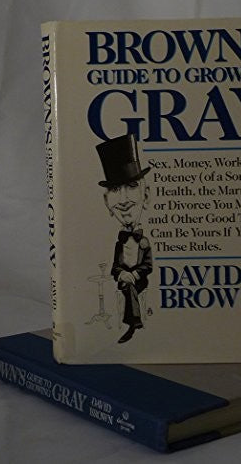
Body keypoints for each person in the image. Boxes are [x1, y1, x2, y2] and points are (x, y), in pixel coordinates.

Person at [96, 134, 152, 343]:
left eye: (132, 186)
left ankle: (133, 324)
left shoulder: (144, 242)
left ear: (146, 196)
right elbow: (115, 266)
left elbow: (148, 266)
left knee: (130, 289)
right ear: (106, 202)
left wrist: (134, 275)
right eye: (114, 189)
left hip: (138, 280)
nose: (123, 200)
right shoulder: (120, 242)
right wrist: (121, 274)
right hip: (123, 281)